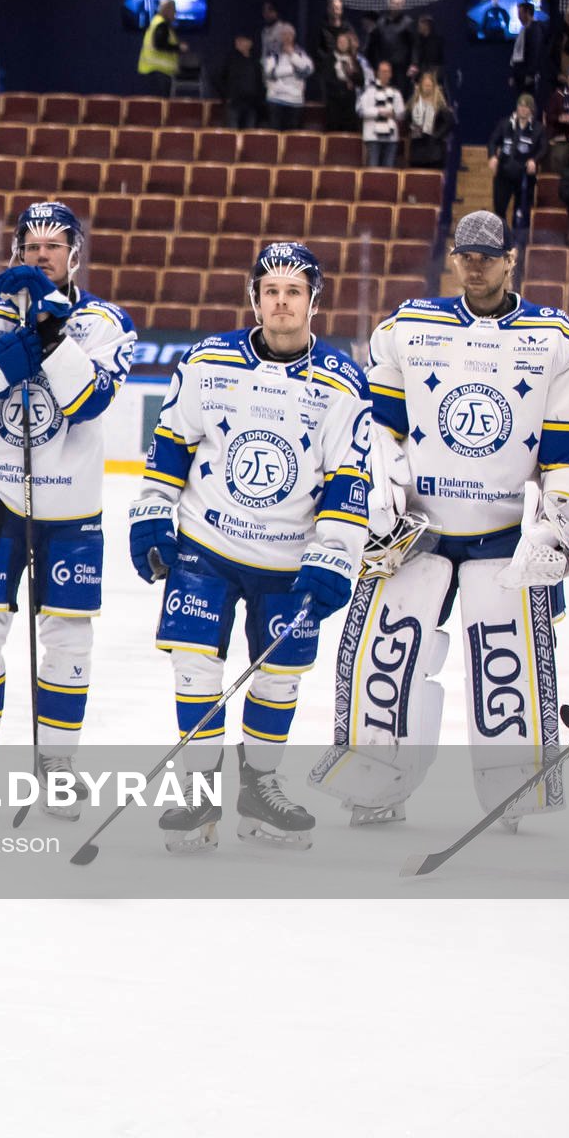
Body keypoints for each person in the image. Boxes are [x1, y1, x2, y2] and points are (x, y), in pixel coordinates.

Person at [329, 211, 569, 834]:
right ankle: (374, 783)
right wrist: (381, 500)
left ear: (510, 259)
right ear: (454, 258)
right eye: (465, 254)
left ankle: (512, 793)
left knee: (506, 665)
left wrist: (556, 528)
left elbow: (566, 451)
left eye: (487, 254)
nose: (476, 264)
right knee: (388, 658)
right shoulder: (409, 327)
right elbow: (381, 428)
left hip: (501, 537)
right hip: (417, 533)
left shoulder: (555, 340)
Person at [129, 243, 370, 850]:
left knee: (279, 677)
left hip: (289, 561)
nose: (281, 302)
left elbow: (350, 477)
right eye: (271, 291)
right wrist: (153, 513)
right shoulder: (208, 361)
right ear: (254, 299)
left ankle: (259, 788)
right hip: (205, 547)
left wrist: (335, 555)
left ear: (314, 300)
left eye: (294, 291)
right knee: (194, 665)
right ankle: (198, 791)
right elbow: (171, 442)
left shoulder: (342, 383)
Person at [0, 202, 137, 818]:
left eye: (55, 245)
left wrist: (48, 337)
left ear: (75, 253)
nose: (42, 255)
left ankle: (58, 766)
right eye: (32, 246)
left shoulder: (104, 323)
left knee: (69, 639)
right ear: (16, 252)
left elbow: (90, 401)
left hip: (71, 509)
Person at [488, 94, 548, 222]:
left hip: (525, 174)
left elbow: (544, 149)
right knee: (499, 208)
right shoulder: (505, 123)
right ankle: (501, 238)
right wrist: (493, 156)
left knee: (522, 211)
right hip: (504, 171)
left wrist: (534, 160)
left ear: (531, 110)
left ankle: (519, 240)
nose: (523, 109)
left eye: (526, 107)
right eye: (521, 106)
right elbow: (493, 141)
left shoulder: (538, 128)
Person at [260, 25, 310, 132]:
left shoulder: (300, 53)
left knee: (292, 137)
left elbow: (306, 70)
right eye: (284, 34)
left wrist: (292, 55)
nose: (287, 37)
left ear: (293, 36)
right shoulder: (273, 54)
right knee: (275, 135)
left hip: (295, 101)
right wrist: (292, 70)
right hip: (276, 100)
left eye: (289, 34)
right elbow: (270, 73)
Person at [210, 34, 262, 131]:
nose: (239, 43)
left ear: (250, 43)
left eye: (242, 41)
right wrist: (226, 95)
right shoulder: (230, 59)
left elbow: (259, 81)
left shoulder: (255, 61)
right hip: (234, 102)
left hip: (251, 103)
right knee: (232, 133)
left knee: (249, 134)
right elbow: (216, 78)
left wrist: (258, 99)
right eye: (237, 41)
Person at [362, 0, 413, 85]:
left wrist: (414, 64)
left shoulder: (408, 23)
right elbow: (372, 47)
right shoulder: (380, 23)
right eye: (394, 3)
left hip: (402, 71)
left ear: (403, 4)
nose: (396, 6)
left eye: (399, 3)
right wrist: (375, 66)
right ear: (389, 3)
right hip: (383, 68)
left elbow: (414, 46)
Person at [358, 60, 403, 167]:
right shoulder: (368, 91)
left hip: (391, 137)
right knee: (373, 169)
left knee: (389, 170)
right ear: (377, 73)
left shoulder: (396, 92)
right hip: (373, 136)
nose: (385, 74)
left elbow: (401, 113)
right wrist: (379, 112)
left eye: (387, 71)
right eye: (382, 71)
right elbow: (361, 110)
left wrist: (394, 114)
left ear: (391, 74)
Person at [405, 70, 453, 168]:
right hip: (417, 149)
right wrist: (413, 128)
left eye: (429, 86)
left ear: (434, 87)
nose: (427, 88)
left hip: (434, 150)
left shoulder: (440, 105)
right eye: (425, 85)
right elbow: (408, 120)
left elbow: (448, 123)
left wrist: (436, 135)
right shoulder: (414, 103)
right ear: (420, 86)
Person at [322, 30, 367, 132]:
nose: (342, 45)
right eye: (340, 42)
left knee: (349, 128)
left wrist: (352, 76)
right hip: (334, 101)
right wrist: (344, 84)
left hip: (349, 101)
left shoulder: (353, 60)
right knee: (334, 127)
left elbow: (361, 81)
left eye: (344, 42)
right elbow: (327, 79)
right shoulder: (330, 59)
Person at [137, 0, 182, 97]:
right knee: (162, 107)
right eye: (174, 11)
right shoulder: (161, 24)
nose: (175, 14)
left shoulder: (156, 22)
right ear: (168, 11)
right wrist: (179, 47)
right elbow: (160, 45)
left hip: (153, 71)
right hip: (160, 72)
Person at [508, 1, 545, 99]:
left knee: (527, 104)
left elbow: (534, 53)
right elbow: (517, 55)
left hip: (527, 77)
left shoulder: (535, 29)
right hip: (520, 75)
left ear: (527, 13)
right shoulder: (524, 29)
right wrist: (514, 75)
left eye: (520, 14)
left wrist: (530, 75)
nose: (519, 17)